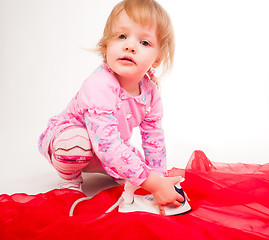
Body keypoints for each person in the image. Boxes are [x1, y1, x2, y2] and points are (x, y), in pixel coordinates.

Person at [38, 0, 184, 215]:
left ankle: (113, 169)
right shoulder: (99, 84)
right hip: (68, 139)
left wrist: (159, 178)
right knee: (76, 145)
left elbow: (154, 138)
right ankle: (70, 180)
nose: (130, 46)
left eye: (144, 42)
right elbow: (106, 145)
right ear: (106, 45)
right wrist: (152, 183)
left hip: (108, 145)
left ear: (157, 59)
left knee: (137, 166)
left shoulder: (150, 92)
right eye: (122, 36)